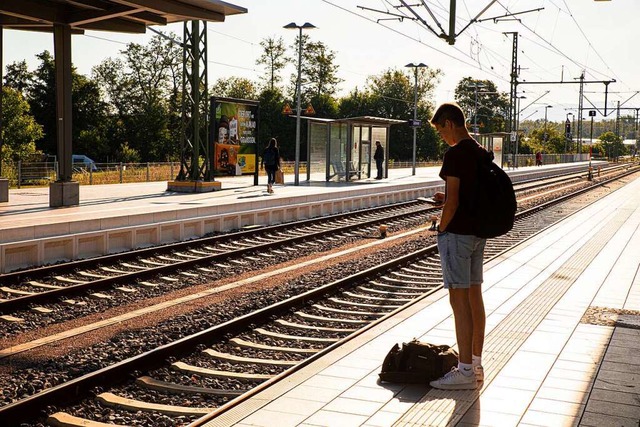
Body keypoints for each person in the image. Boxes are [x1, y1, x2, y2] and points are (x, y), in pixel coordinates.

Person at [428, 103, 487, 390]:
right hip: (478, 233)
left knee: (458, 301)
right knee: (475, 296)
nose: (442, 137)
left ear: (449, 123)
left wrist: (440, 227)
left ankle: (463, 371)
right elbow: (466, 194)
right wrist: (448, 197)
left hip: (457, 234)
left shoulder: (455, 154)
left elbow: (452, 205)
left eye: (441, 131)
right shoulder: (479, 151)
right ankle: (475, 365)